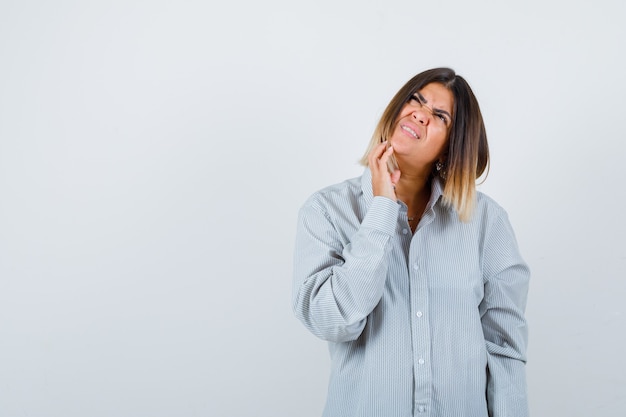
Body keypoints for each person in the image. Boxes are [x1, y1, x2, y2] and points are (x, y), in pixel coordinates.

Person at [292, 67, 530, 417]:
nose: (420, 113)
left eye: (439, 115)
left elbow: (504, 348)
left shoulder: (486, 223)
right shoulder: (327, 211)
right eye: (416, 100)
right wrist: (382, 210)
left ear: (452, 147)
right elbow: (331, 321)